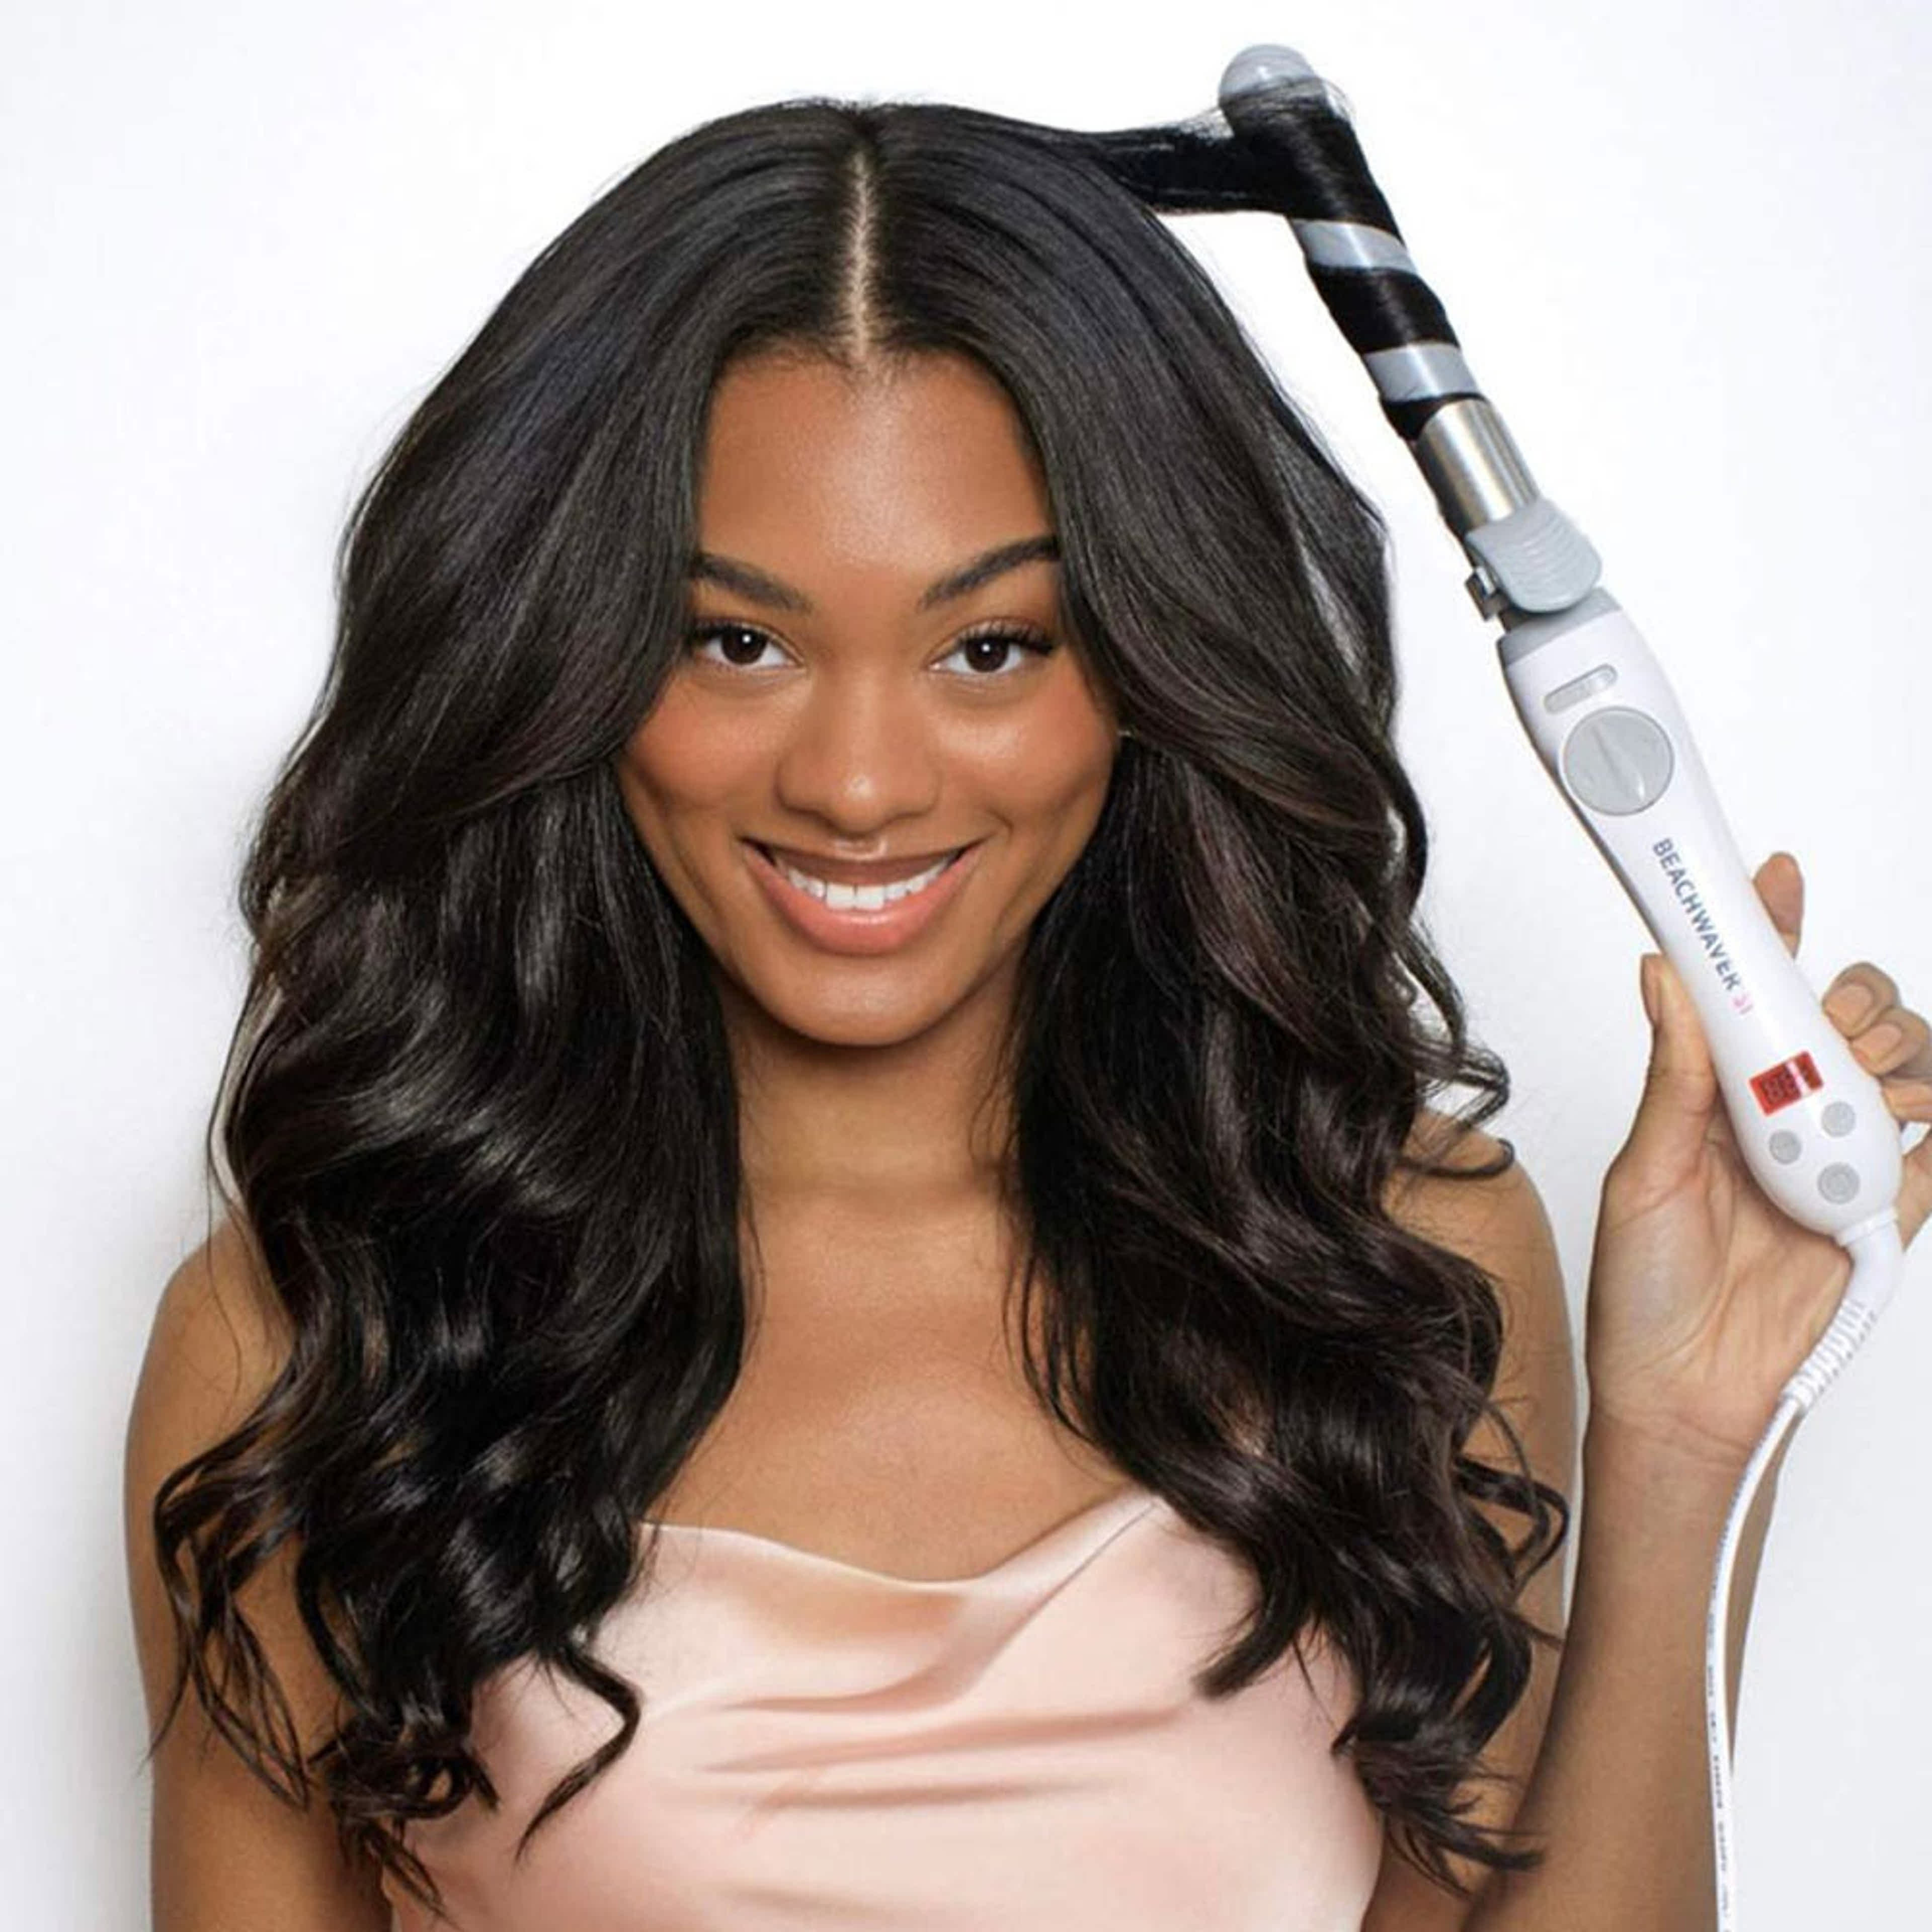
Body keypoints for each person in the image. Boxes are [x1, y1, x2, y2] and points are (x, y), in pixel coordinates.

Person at [122, 95, 1931, 1932]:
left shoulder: (1387, 1262)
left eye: (991, 648)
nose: (857, 783)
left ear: (1149, 662)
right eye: (737, 641)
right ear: (570, 657)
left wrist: (1693, 1449)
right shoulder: (321, 1331)